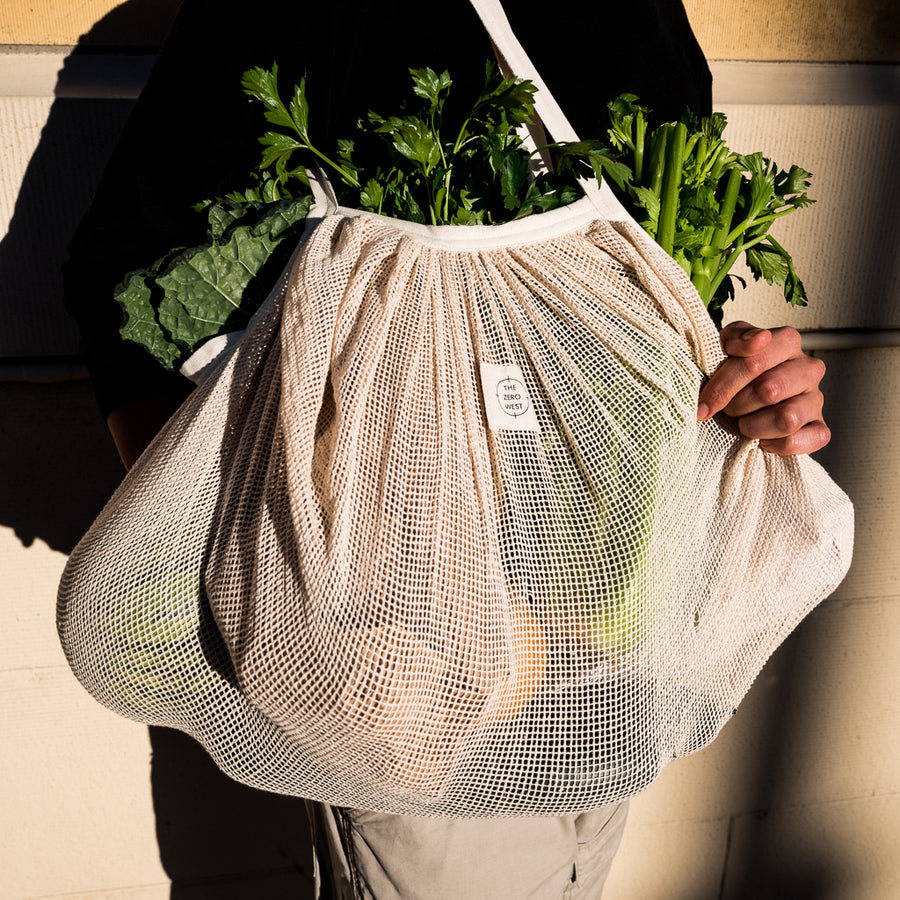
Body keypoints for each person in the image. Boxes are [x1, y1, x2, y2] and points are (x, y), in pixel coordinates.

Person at [62, 1, 830, 896]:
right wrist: (306, 613)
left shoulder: (644, 15)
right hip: (425, 689)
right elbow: (123, 286)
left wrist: (748, 386)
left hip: (622, 667)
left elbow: (649, 313)